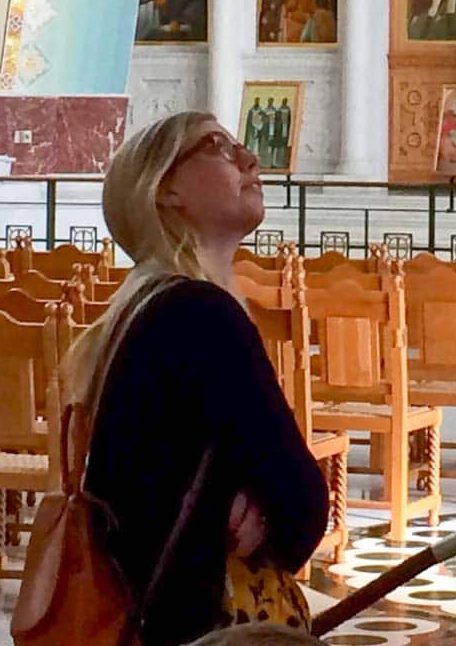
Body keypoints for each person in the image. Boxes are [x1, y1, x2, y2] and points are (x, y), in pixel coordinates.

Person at [69, 112, 328, 645]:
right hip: (196, 618)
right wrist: (264, 506)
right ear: (164, 190)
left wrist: (245, 496)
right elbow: (302, 507)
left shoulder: (151, 304)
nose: (249, 159)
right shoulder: (199, 314)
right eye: (217, 147)